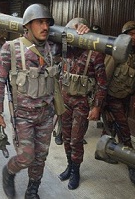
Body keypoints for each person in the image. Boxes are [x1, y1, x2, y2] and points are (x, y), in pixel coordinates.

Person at [0, 4, 88, 199]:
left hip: (46, 115)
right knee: (26, 157)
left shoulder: (53, 48)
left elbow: (78, 51)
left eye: (47, 23)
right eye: (39, 22)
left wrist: (80, 32)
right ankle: (8, 172)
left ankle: (32, 190)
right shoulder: (11, 48)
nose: (45, 27)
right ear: (27, 25)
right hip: (23, 116)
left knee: (40, 157)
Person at [58, 18, 107, 190]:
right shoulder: (65, 49)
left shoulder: (95, 53)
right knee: (65, 137)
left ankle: (75, 171)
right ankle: (69, 166)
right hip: (64, 101)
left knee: (76, 140)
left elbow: (102, 83)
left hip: (82, 103)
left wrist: (97, 107)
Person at [97, 21, 135, 185]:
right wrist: (100, 100)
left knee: (111, 125)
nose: (134, 37)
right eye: (131, 34)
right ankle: (133, 165)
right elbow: (106, 75)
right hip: (112, 97)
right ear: (124, 36)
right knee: (125, 131)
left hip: (125, 97)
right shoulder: (117, 51)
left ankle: (101, 151)